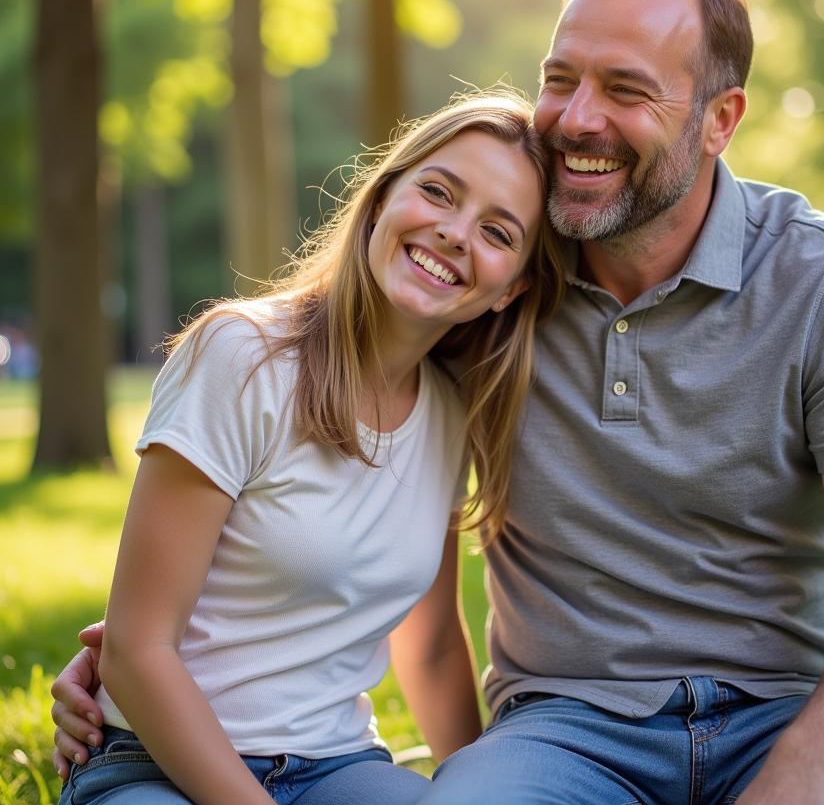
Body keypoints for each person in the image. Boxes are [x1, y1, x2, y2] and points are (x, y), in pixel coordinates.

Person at [53, 0, 824, 804]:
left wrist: (810, 767)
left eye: (626, 88)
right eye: (560, 78)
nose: (579, 118)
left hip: (783, 714)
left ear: (721, 120)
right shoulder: (490, 304)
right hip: (565, 731)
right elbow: (281, 488)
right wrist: (131, 663)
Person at [49, 91, 563, 805]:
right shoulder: (242, 356)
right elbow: (137, 651)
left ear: (513, 289)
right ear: (383, 199)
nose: (453, 233)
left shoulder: (451, 417)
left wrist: (481, 788)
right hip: (155, 762)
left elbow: (435, 643)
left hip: (334, 768)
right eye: (438, 193)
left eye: (498, 233)